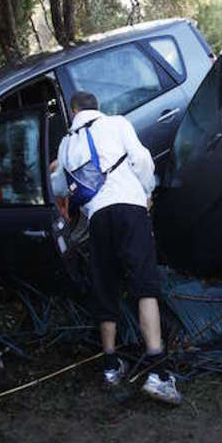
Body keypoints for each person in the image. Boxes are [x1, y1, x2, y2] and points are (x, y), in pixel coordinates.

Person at [51, 91, 182, 405]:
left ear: (73, 111)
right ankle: (157, 374)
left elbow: (59, 187)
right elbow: (142, 160)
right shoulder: (117, 124)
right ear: (98, 107)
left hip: (98, 219)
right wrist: (147, 191)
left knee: (105, 286)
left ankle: (110, 367)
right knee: (144, 286)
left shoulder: (67, 143)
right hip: (130, 209)